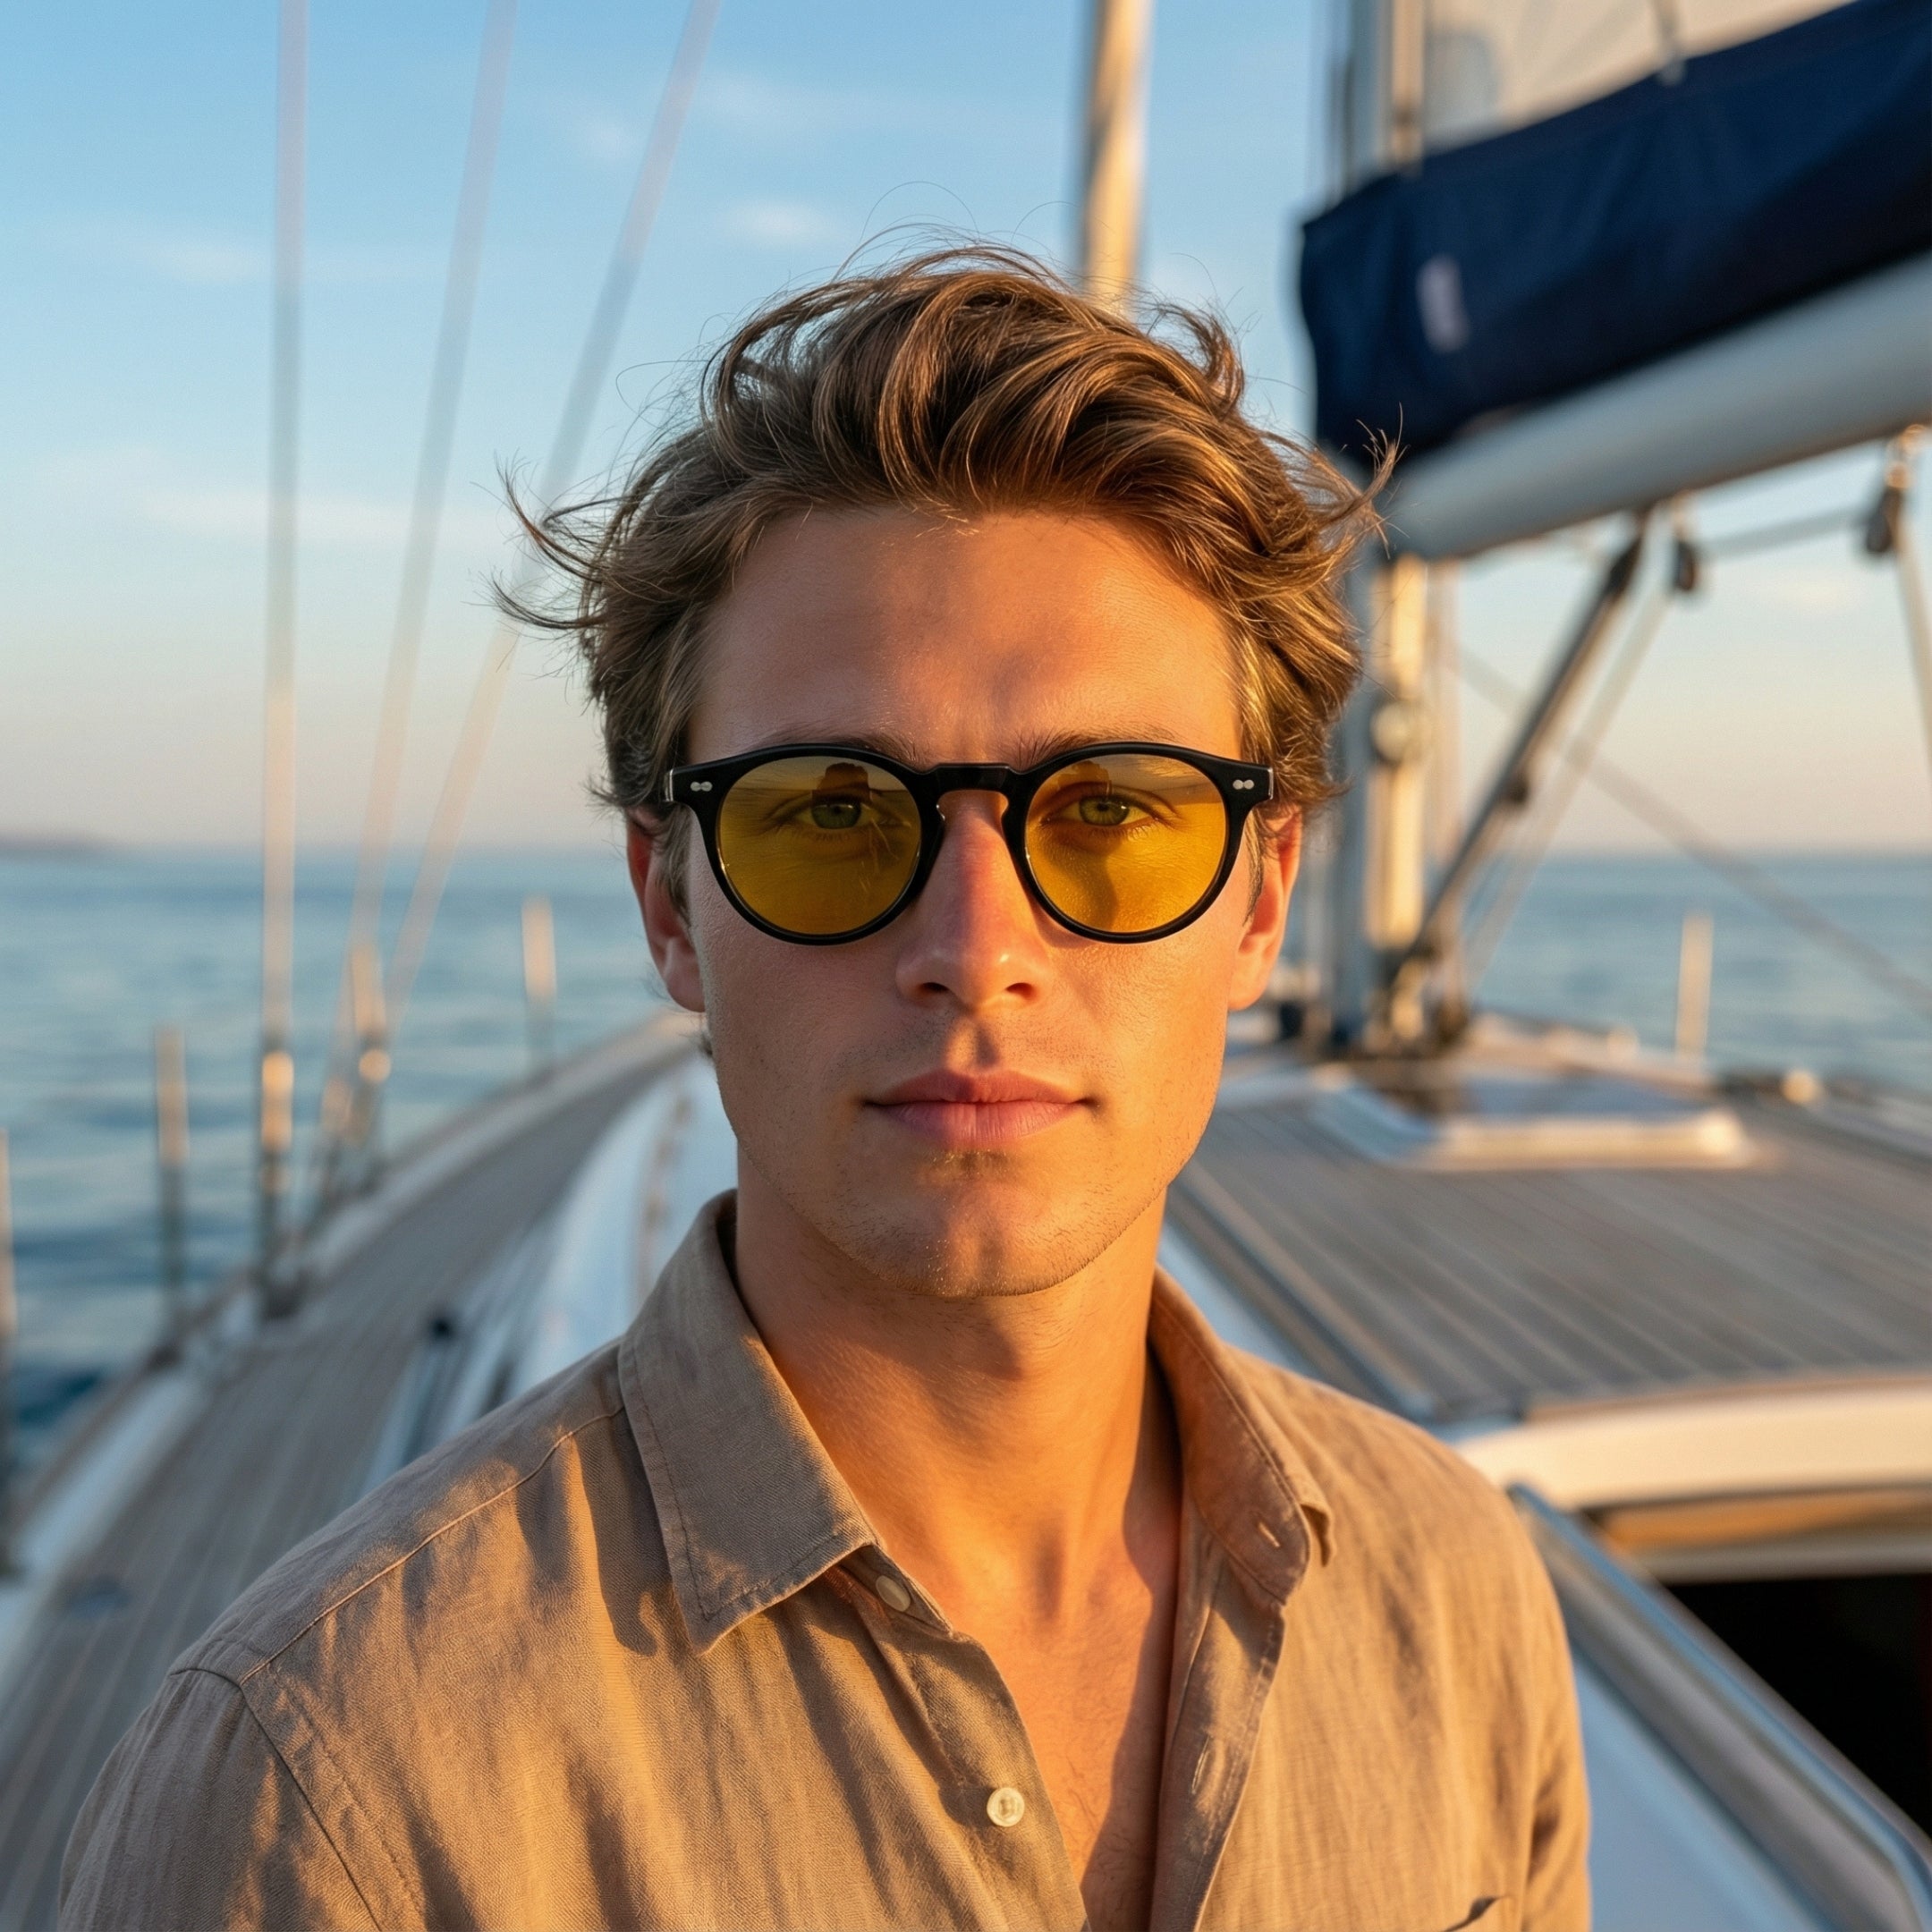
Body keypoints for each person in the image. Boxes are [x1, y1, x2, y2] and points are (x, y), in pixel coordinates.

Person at [62, 249, 1588, 1932]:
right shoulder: (332, 1791)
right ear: (671, 909)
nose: (975, 946)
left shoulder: (1456, 1597)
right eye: (831, 815)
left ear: (1260, 898)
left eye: (1116, 810)